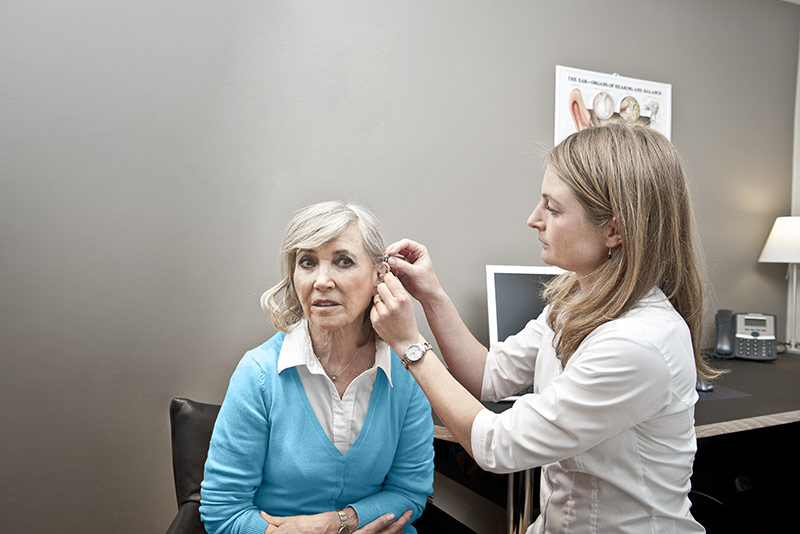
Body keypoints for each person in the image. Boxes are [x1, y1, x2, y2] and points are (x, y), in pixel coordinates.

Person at [371, 124, 717, 533]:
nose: (533, 219)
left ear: (614, 230)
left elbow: (499, 446)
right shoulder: (576, 302)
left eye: (552, 208)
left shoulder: (639, 342)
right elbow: (488, 376)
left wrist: (410, 343)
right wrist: (432, 296)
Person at [201, 201, 434, 534]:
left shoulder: (409, 372)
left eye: (343, 261)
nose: (322, 281)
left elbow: (409, 493)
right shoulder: (259, 373)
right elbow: (223, 511)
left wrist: (337, 523)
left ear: (379, 275)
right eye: (307, 262)